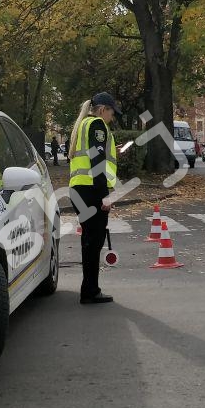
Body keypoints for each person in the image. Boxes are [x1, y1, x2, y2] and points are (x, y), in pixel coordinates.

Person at [69, 92, 120, 304]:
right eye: (112, 113)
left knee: (89, 241)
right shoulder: (97, 125)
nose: (112, 118)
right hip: (92, 190)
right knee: (94, 241)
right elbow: (97, 161)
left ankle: (89, 288)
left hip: (80, 189)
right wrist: (104, 196)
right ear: (102, 109)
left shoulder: (82, 125)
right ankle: (90, 291)